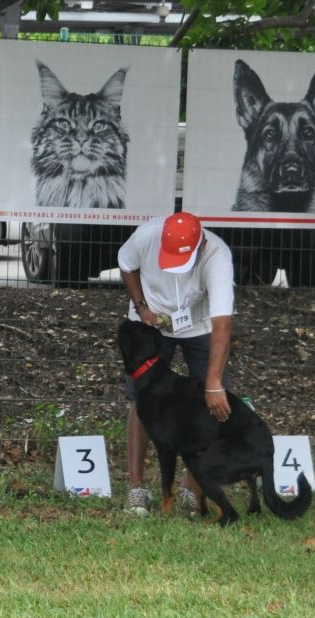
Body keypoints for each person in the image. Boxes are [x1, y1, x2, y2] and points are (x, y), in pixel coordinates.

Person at [117, 211, 235, 516]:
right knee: (142, 399)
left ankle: (191, 487)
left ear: (200, 246)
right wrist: (141, 306)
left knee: (212, 402)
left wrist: (213, 383)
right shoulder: (147, 235)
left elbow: (223, 324)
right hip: (152, 321)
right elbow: (127, 265)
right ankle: (136, 489)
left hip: (200, 324)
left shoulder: (218, 257)